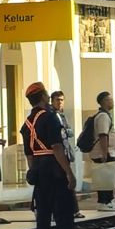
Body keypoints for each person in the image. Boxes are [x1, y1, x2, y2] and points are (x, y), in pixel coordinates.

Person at [20, 82, 90, 229]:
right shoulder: (50, 118)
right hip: (54, 167)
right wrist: (69, 173)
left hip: (38, 168)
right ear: (43, 97)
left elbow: (29, 153)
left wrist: (33, 171)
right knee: (63, 210)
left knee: (43, 212)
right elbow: (57, 147)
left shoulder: (27, 124)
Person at [49, 91, 84, 220]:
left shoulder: (62, 115)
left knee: (69, 182)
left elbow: (68, 131)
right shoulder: (51, 116)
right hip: (56, 155)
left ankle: (73, 209)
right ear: (52, 101)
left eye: (62, 100)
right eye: (57, 100)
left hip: (65, 152)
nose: (60, 102)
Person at [87, 91, 115, 211]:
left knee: (105, 176)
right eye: (110, 99)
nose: (112, 101)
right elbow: (103, 135)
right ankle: (106, 201)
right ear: (104, 101)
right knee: (105, 177)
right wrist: (105, 153)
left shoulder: (104, 115)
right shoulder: (103, 116)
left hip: (104, 151)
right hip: (103, 152)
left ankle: (107, 200)